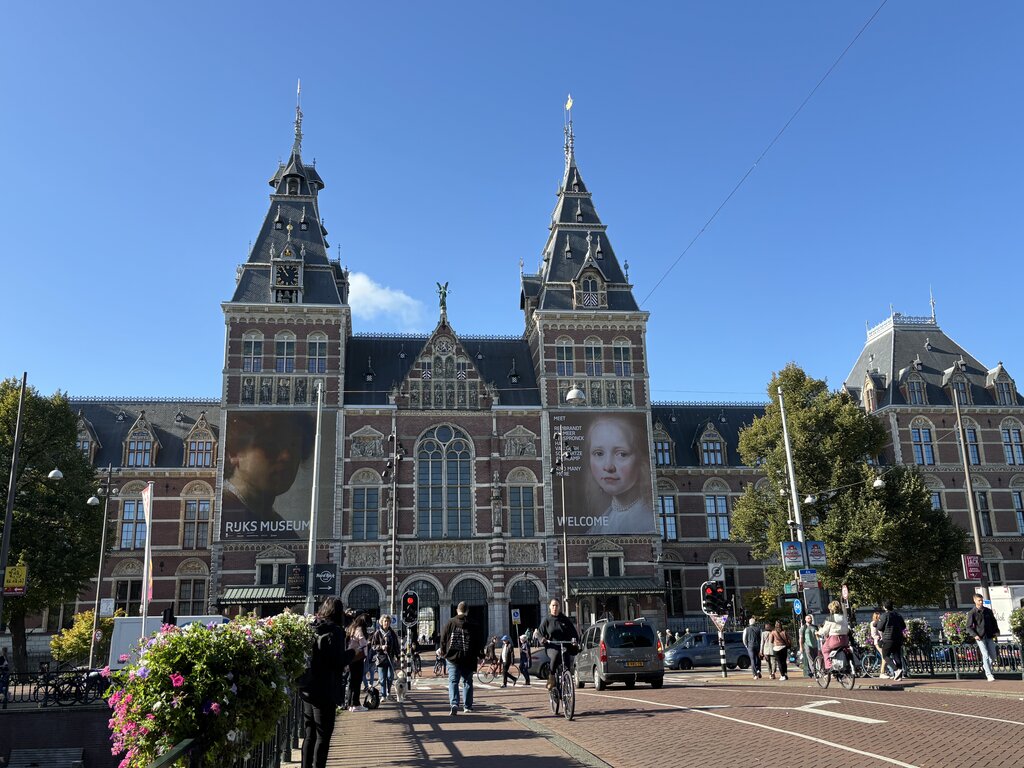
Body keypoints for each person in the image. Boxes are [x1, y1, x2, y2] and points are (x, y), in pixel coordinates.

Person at [221, 411, 315, 540]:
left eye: (293, 445)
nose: (286, 456)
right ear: (234, 452)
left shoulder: (283, 529)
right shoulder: (224, 512)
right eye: (271, 444)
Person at [298, 597, 354, 768]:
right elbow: (336, 662)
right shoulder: (336, 631)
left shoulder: (312, 627)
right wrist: (352, 652)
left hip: (308, 687)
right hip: (325, 689)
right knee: (323, 735)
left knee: (310, 734)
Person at [583, 415, 655, 534]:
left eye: (621, 454)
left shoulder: (649, 523)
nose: (608, 466)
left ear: (641, 460)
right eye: (599, 453)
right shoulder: (598, 527)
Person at [441, 601, 484, 715]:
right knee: (467, 682)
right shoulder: (474, 624)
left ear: (457, 610)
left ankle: (454, 703)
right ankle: (467, 706)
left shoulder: (450, 623)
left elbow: (443, 639)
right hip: (468, 657)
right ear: (467, 611)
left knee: (453, 681)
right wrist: (481, 655)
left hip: (452, 658)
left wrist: (444, 652)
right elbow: (479, 642)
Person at [538, 597, 580, 689]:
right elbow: (539, 633)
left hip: (564, 644)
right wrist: (543, 639)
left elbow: (573, 632)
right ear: (550, 607)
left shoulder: (565, 619)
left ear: (559, 607)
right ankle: (551, 676)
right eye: (553, 605)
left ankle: (567, 681)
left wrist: (574, 640)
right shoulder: (547, 620)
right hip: (551, 646)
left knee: (566, 658)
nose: (555, 608)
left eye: (557, 605)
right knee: (556, 654)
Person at [967, 593, 1000, 682]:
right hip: (980, 637)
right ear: (975, 601)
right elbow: (968, 626)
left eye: (982, 600)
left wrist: (996, 632)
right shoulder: (972, 612)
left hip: (989, 635)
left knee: (993, 656)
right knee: (985, 655)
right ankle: (989, 675)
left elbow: (994, 622)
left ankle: (985, 666)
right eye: (979, 600)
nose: (981, 602)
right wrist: (975, 635)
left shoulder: (988, 611)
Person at [345, 613, 371, 712]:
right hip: (357, 658)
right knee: (357, 681)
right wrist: (368, 642)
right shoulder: (359, 629)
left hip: (351, 658)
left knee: (351, 681)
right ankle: (356, 703)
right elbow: (363, 643)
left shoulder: (352, 627)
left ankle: (350, 704)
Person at [371, 614, 400, 699]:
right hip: (381, 658)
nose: (386, 623)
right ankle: (383, 695)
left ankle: (388, 692)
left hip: (390, 658)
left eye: (388, 621)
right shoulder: (377, 633)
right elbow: (373, 646)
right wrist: (381, 647)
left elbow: (396, 646)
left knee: (390, 676)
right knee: (382, 678)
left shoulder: (392, 633)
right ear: (381, 622)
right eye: (385, 621)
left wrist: (398, 657)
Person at [876, 600, 906, 680]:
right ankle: (899, 676)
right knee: (897, 656)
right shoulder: (898, 615)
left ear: (885, 607)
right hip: (898, 638)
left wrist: (878, 623)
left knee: (885, 655)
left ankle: (896, 670)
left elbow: (880, 627)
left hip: (888, 638)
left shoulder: (884, 615)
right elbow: (903, 626)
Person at [816, 601, 850, 672]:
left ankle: (829, 666)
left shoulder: (830, 618)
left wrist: (818, 632)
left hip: (834, 639)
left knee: (825, 649)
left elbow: (824, 631)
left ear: (831, 609)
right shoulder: (844, 617)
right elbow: (847, 629)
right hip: (845, 639)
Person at [870, 611, 889, 678]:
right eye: (878, 616)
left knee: (886, 656)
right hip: (878, 642)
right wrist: (879, 638)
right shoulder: (873, 623)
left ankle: (885, 672)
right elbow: (873, 634)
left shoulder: (881, 623)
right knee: (884, 656)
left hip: (884, 641)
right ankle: (882, 673)